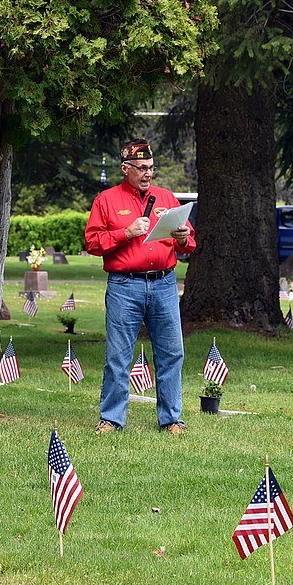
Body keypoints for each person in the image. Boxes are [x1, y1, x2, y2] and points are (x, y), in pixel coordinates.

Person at [84, 139, 195, 434]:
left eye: (151, 168)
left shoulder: (166, 197)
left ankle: (172, 419)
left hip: (164, 284)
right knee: (118, 356)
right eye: (142, 168)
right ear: (125, 168)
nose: (148, 173)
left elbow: (188, 243)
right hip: (125, 286)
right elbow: (92, 243)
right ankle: (111, 418)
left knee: (172, 352)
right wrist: (125, 232)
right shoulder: (106, 200)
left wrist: (183, 237)